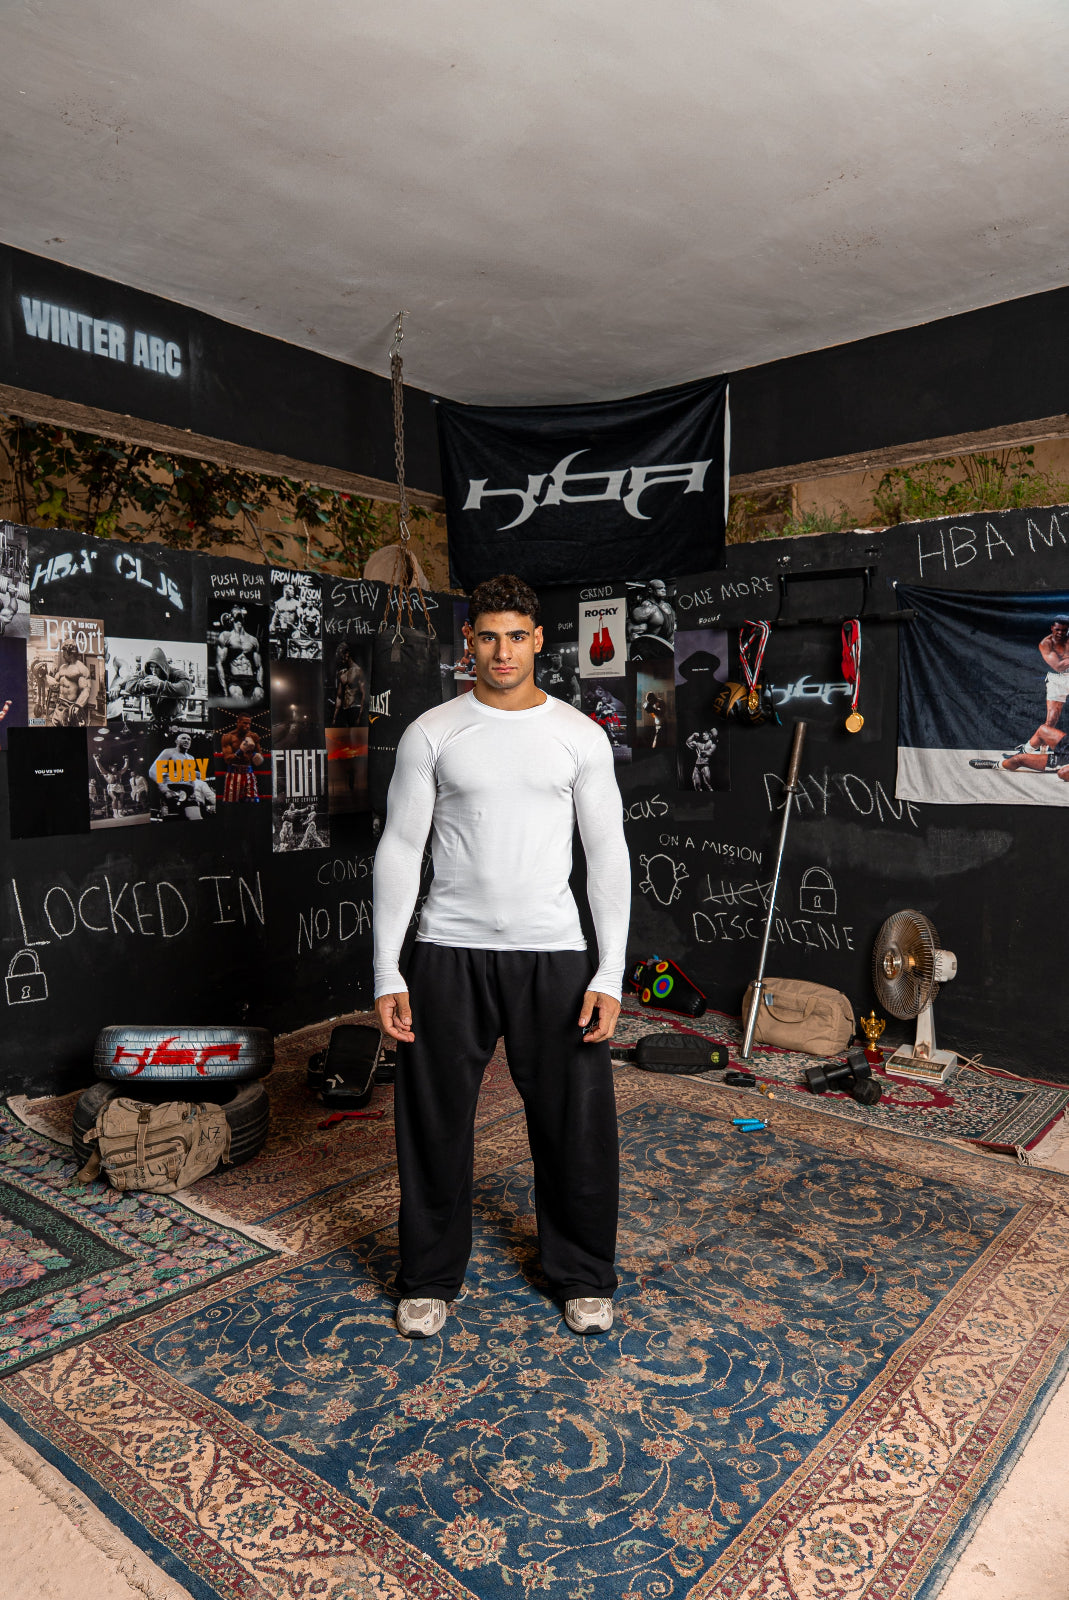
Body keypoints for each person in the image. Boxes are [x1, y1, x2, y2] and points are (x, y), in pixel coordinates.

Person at [374, 572, 630, 1341]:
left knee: (574, 1126)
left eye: (516, 636)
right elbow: (400, 847)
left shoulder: (578, 735)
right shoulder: (432, 731)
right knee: (432, 1123)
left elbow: (607, 855)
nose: (502, 651)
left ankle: (582, 1277)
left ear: (538, 640)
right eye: (487, 636)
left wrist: (608, 973)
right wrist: (387, 969)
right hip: (446, 950)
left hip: (552, 954)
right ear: (469, 641)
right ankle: (428, 1278)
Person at [1002, 615, 1069, 759]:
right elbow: (1058, 666)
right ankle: (1026, 752)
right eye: (1057, 630)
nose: (1060, 633)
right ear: (1052, 628)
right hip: (1057, 679)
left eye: (1064, 630)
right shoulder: (1046, 643)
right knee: (1051, 719)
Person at [215, 607, 264, 704]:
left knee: (259, 694)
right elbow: (219, 663)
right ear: (231, 618)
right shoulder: (226, 636)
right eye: (235, 613)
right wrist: (225, 690)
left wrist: (260, 685)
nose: (239, 615)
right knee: (237, 696)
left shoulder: (253, 640)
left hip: (250, 678)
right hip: (235, 679)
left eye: (240, 613)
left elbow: (259, 666)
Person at [332, 641, 367, 725]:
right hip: (345, 711)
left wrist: (360, 716)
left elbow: (364, 694)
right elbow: (339, 697)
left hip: (355, 709)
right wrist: (334, 718)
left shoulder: (358, 671)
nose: (341, 660)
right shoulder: (342, 673)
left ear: (347, 654)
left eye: (342, 656)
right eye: (339, 657)